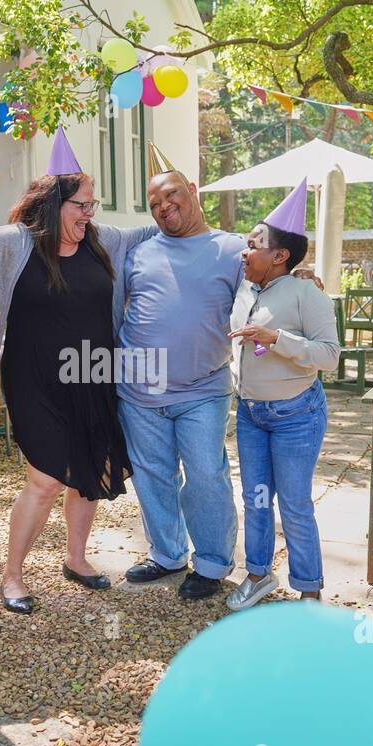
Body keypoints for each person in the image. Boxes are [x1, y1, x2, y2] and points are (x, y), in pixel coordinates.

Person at [0, 129, 156, 613]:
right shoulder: (15, 243)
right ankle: (12, 576)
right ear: (55, 204)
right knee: (45, 478)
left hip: (92, 371)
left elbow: (161, 230)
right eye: (82, 204)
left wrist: (251, 248)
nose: (89, 214)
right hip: (34, 377)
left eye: (93, 205)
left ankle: (76, 559)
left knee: (91, 469)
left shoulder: (103, 240)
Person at [115, 147, 246, 600]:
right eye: (154, 204)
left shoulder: (232, 248)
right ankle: (167, 554)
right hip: (139, 390)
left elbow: (267, 289)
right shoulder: (138, 252)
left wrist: (302, 280)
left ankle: (211, 562)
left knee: (206, 474)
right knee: (152, 474)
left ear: (192, 191)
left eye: (170, 195)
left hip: (203, 388)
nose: (163, 207)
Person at [226, 178, 341, 609]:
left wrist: (277, 339)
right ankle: (257, 575)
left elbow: (329, 356)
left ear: (279, 255)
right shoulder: (244, 291)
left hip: (297, 415)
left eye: (254, 244)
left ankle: (309, 591)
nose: (244, 250)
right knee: (255, 500)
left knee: (294, 504)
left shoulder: (306, 294)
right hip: (252, 414)